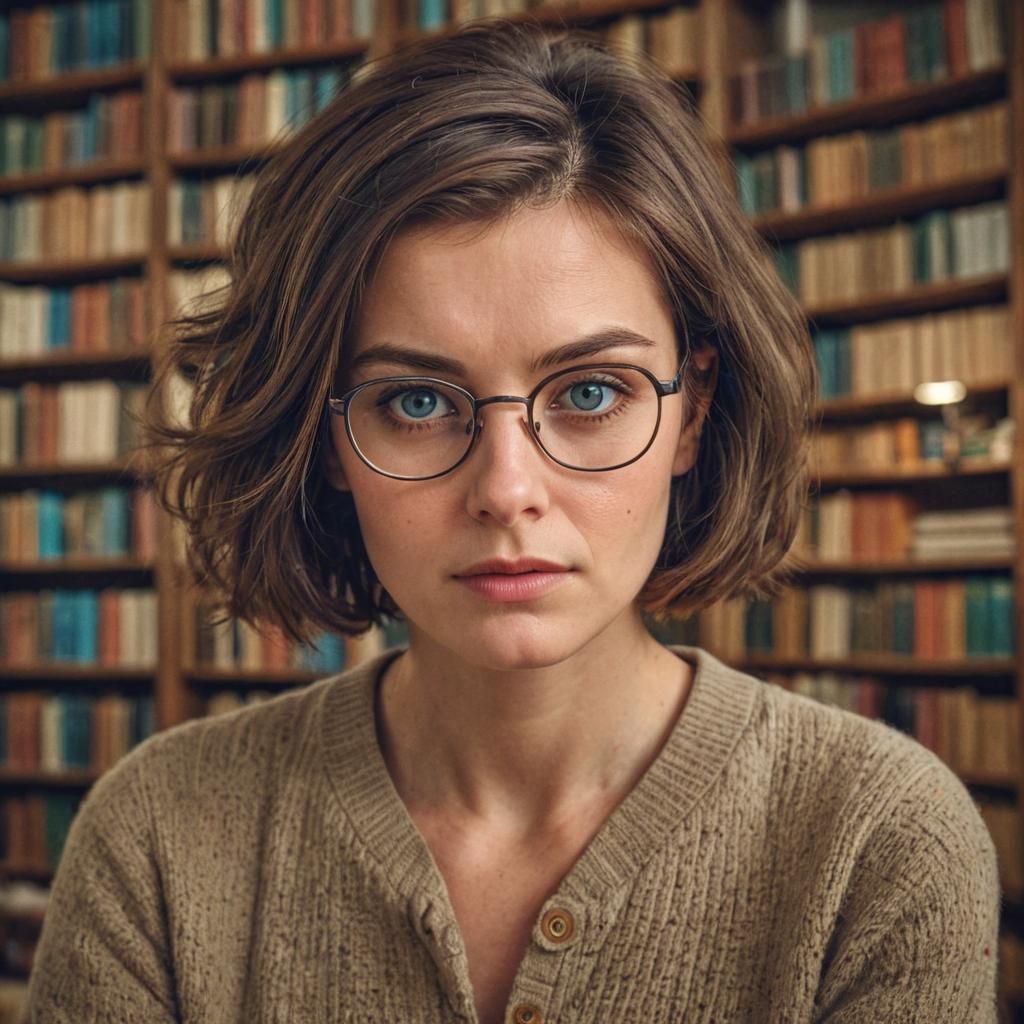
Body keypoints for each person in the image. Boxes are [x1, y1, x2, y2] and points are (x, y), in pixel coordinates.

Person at [23, 17, 1000, 1024]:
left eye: (587, 393)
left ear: (691, 412)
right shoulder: (157, 837)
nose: (506, 488)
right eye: (413, 401)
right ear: (323, 441)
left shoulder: (876, 838)